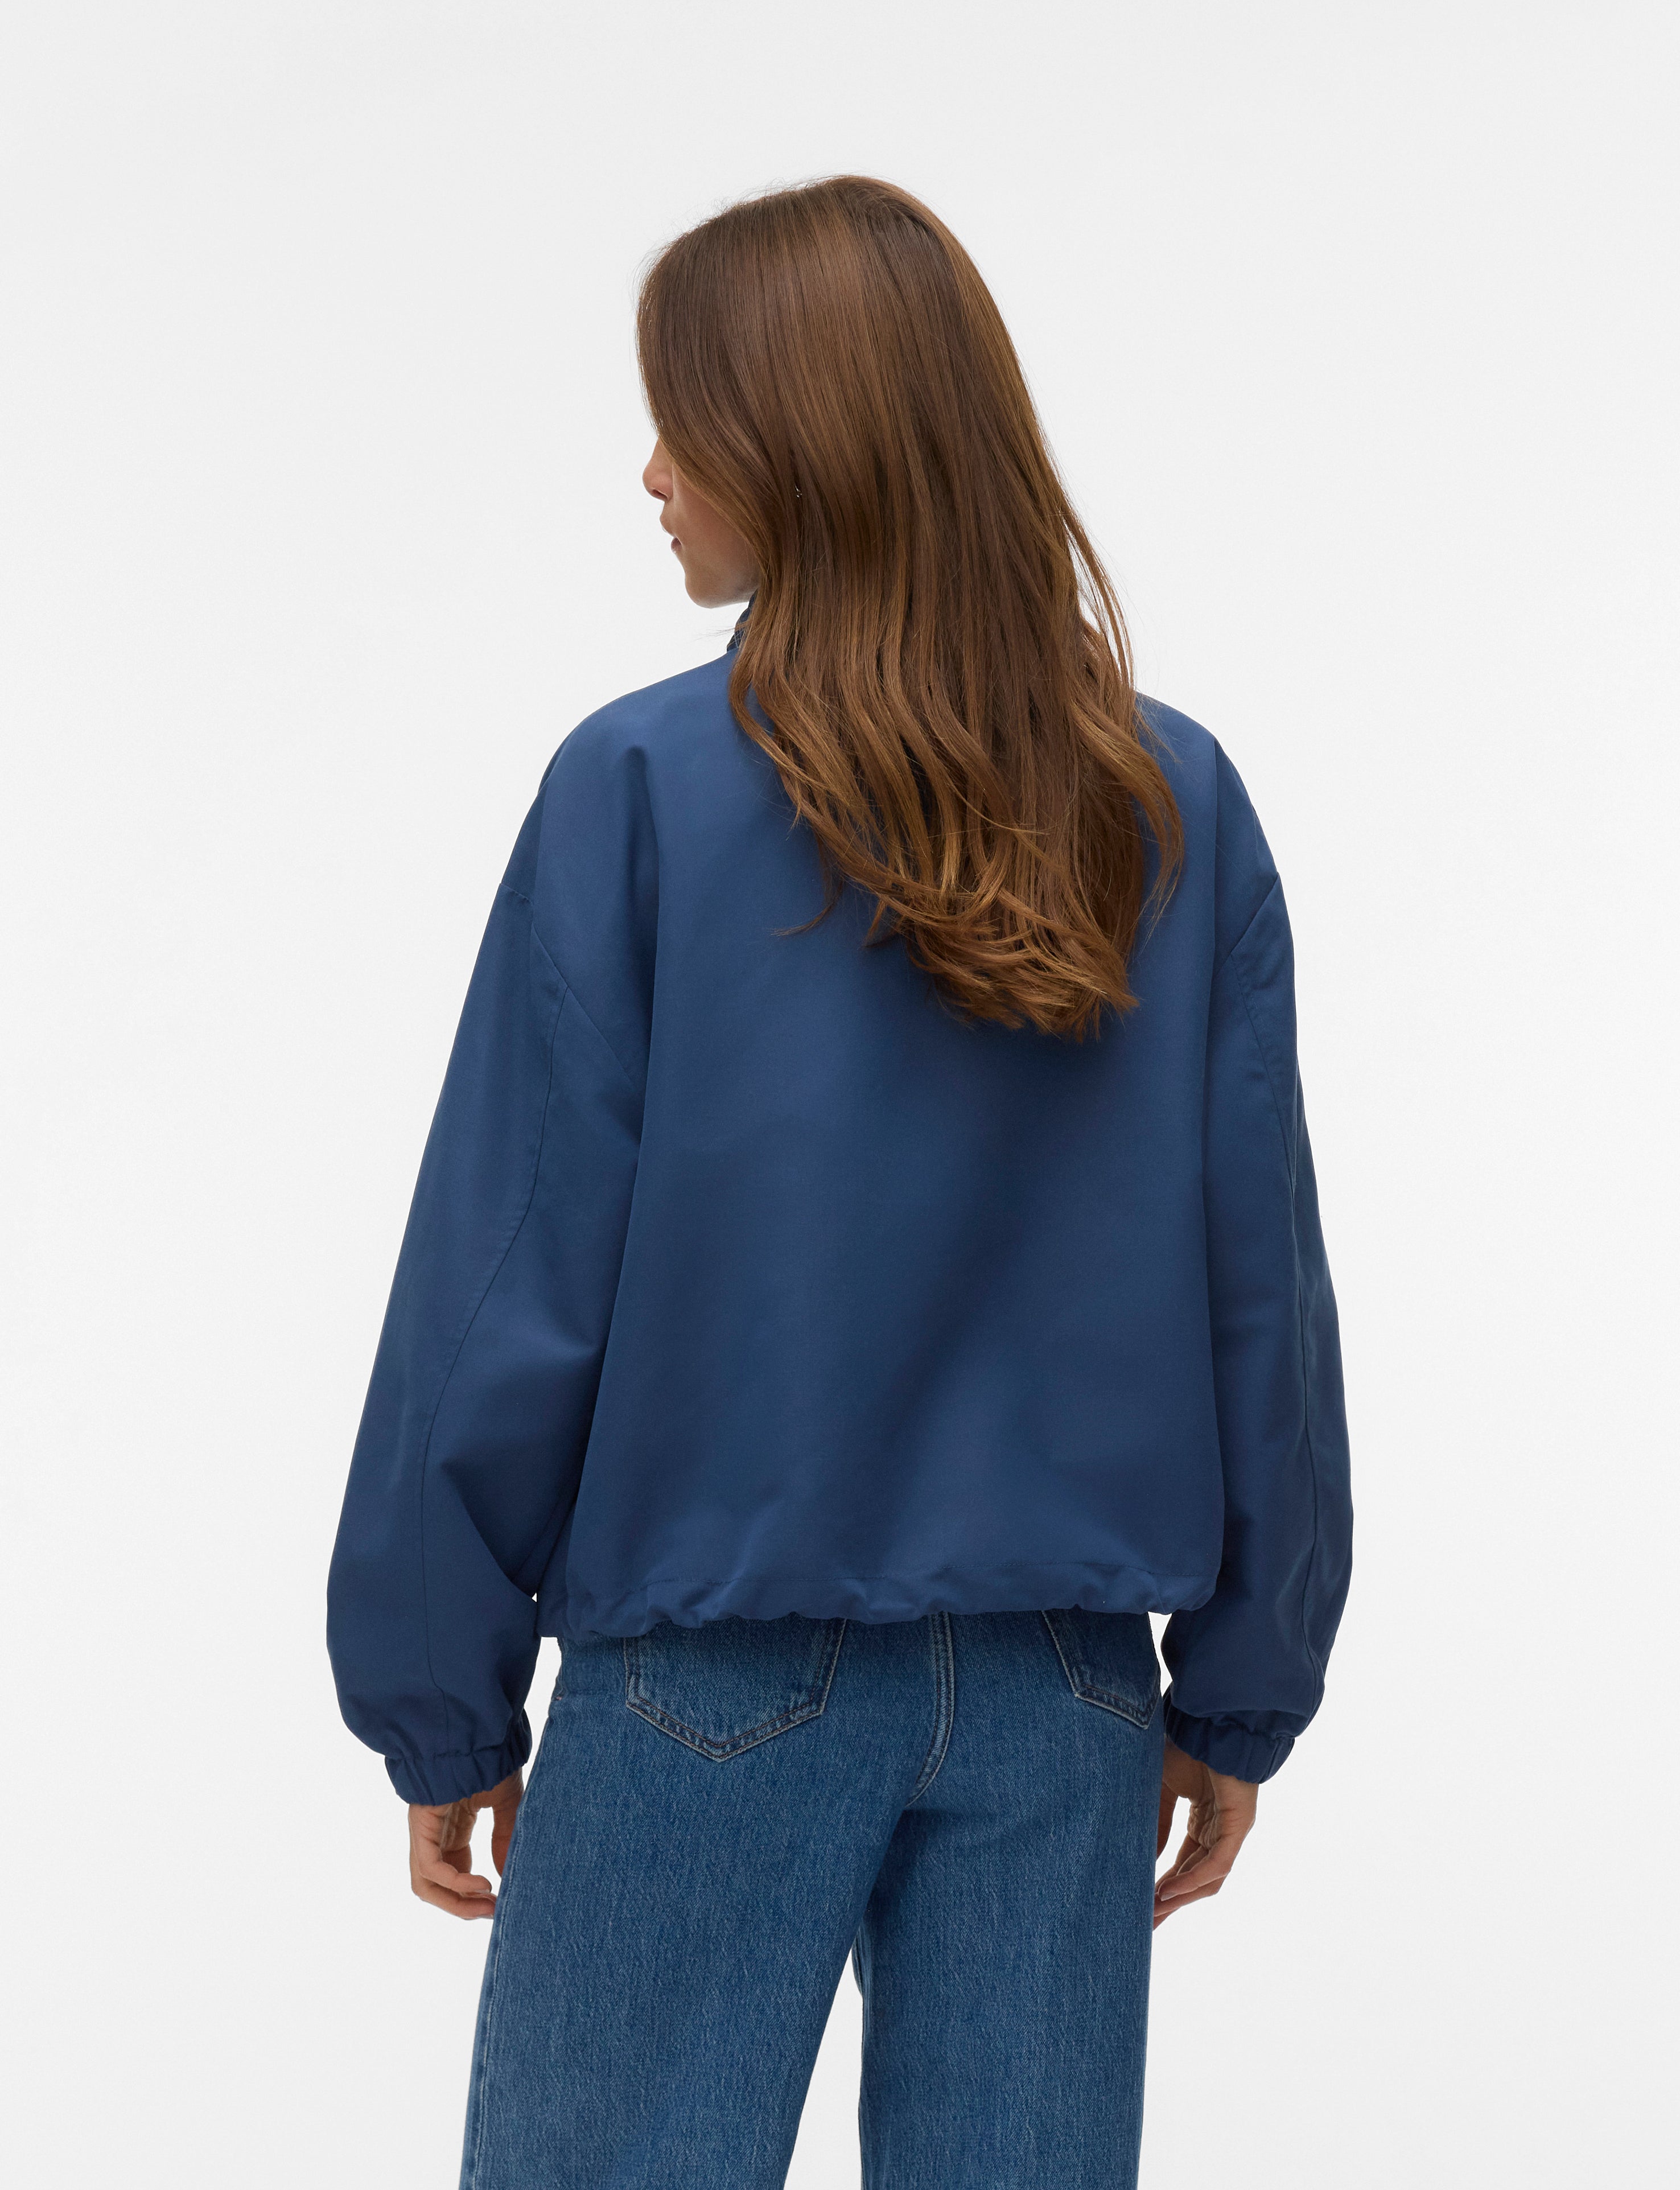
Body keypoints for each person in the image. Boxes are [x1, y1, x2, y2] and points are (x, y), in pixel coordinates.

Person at [327, 175, 1352, 2190]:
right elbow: (1265, 1285)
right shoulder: (1167, 795)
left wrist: (440, 1694)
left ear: (802, 443)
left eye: (682, 419)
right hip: (1067, 1690)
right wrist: (1246, 1681)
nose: (649, 473)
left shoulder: (641, 787)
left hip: (714, 1665)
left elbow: (511, 1274)